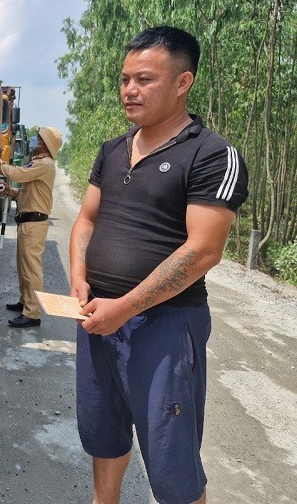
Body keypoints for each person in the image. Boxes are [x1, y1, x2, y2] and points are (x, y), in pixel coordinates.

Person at [69, 26, 248, 504]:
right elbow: (86, 220)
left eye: (144, 79)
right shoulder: (111, 149)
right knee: (103, 434)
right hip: (98, 320)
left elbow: (203, 250)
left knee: (172, 462)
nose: (129, 89)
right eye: (125, 79)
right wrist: (79, 279)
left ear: (182, 82)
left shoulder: (211, 154)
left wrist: (125, 307)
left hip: (166, 325)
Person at [0, 126, 62, 328]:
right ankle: (25, 303)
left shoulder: (44, 164)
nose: (35, 142)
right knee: (24, 269)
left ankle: (32, 313)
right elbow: (26, 193)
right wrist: (10, 191)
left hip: (33, 224)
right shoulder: (38, 164)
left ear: (47, 145)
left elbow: (17, 173)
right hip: (28, 222)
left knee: (31, 271)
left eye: (39, 139)